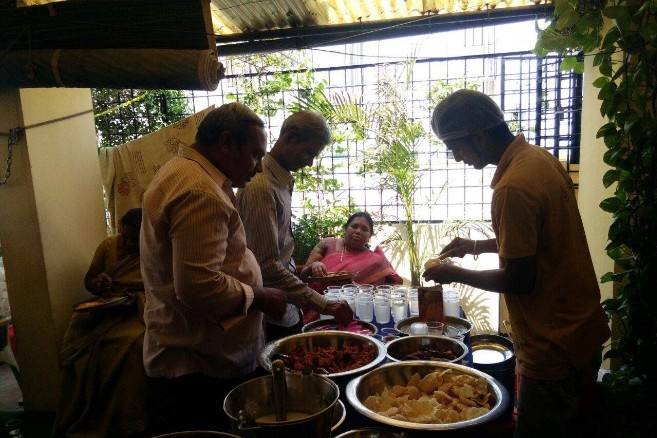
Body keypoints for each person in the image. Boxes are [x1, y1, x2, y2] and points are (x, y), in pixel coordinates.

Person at [423, 89, 610, 437]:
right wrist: (476, 245)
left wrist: (452, 272)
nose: (456, 157)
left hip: (553, 345)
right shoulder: (538, 159)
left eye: (455, 147)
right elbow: (542, 241)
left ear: (477, 137)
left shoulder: (512, 187)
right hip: (582, 331)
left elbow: (521, 278)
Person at [140, 103, 288, 434]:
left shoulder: (191, 174)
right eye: (253, 154)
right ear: (225, 142)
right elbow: (198, 285)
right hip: (195, 367)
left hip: (200, 355)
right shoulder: (198, 189)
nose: (258, 166)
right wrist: (260, 296)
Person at [237, 111, 353, 340]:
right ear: (290, 137)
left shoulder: (281, 181)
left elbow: (276, 253)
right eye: (309, 152)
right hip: (270, 314)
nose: (310, 162)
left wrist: (300, 270)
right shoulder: (261, 187)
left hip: (288, 307)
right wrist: (324, 304)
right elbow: (266, 266)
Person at [53, 208, 147, 438]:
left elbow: (161, 290)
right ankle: (77, 409)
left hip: (137, 311)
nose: (126, 243)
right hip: (104, 309)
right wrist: (99, 283)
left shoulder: (154, 251)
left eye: (134, 240)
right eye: (124, 236)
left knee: (132, 343)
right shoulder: (108, 246)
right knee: (76, 331)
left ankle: (125, 419)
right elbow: (89, 280)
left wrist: (136, 298)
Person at [300, 211, 402, 322]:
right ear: (345, 228)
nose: (358, 231)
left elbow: (377, 295)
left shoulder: (377, 262)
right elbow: (303, 276)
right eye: (354, 226)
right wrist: (313, 266)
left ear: (369, 236)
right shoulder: (327, 243)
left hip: (353, 314)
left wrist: (353, 287)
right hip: (317, 307)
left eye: (364, 229)